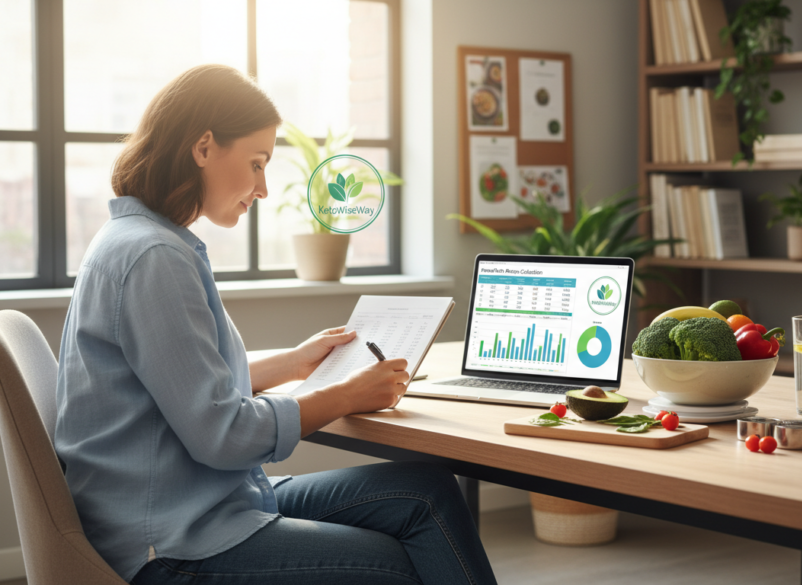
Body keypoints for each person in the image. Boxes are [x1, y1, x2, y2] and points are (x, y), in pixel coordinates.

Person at [54, 64, 497, 585]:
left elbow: (187, 386)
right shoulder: (154, 257)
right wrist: (346, 396)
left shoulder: (139, 239)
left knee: (428, 491)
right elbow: (223, 434)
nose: (263, 187)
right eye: (257, 162)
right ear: (203, 147)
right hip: (172, 540)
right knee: (391, 565)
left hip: (201, 505)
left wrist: (293, 362)